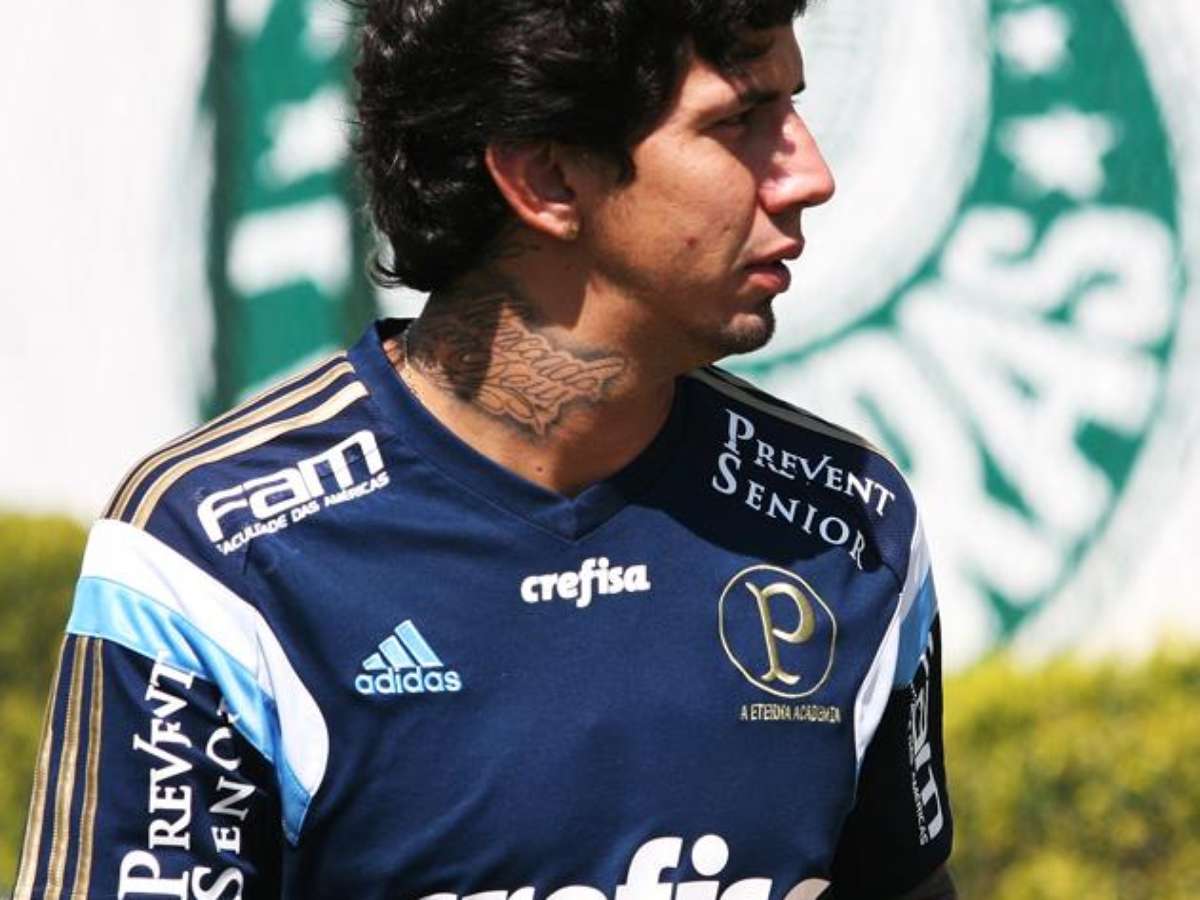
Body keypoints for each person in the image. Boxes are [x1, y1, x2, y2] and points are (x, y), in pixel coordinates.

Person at [14, 1, 956, 897]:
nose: (810, 174)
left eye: (793, 106)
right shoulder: (215, 555)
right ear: (546, 178)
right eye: (740, 120)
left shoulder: (848, 521)